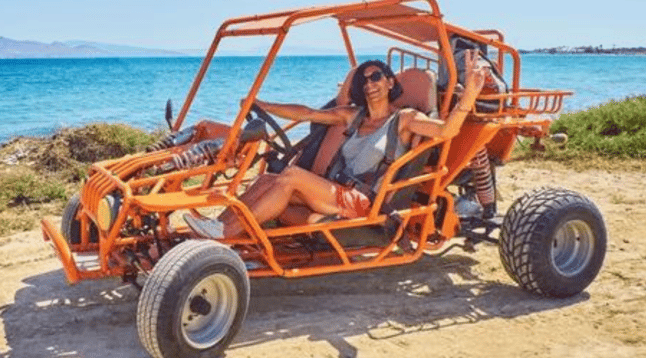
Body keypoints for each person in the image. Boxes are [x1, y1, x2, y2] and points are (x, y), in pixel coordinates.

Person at [184, 51, 489, 239]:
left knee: (290, 177)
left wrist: (470, 94)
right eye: (364, 81)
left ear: (390, 82)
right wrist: (262, 103)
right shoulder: (355, 116)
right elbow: (308, 113)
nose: (369, 85)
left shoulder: (405, 119)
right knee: (268, 178)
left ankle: (225, 234)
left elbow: (448, 131)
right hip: (332, 191)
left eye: (376, 78)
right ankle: (217, 227)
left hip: (361, 200)